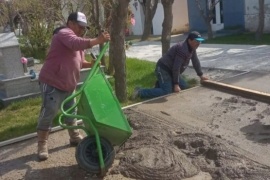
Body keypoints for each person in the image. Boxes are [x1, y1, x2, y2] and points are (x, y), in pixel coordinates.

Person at [36, 11, 110, 161]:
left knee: (71, 111)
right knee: (49, 111)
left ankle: (74, 137)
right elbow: (74, 43)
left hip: (69, 84)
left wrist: (91, 64)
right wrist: (97, 40)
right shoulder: (63, 33)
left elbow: (78, 61)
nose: (82, 30)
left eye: (84, 28)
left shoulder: (78, 42)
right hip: (52, 82)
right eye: (80, 26)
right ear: (70, 23)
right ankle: (42, 144)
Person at [132, 31, 208, 99]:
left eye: (200, 41)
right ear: (189, 40)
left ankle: (160, 85)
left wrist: (201, 75)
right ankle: (140, 91)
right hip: (163, 69)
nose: (199, 44)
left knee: (184, 87)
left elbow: (195, 61)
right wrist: (176, 84)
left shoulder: (192, 48)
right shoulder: (182, 49)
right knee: (166, 92)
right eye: (197, 41)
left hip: (172, 70)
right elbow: (176, 67)